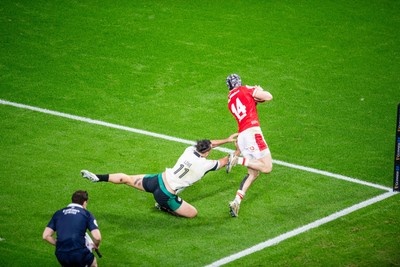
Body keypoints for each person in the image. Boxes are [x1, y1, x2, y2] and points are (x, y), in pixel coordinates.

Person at [80, 133, 238, 218]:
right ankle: (165, 207)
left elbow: (208, 143)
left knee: (126, 178)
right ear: (207, 152)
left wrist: (225, 140)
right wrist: (237, 149)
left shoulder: (189, 150)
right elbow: (225, 160)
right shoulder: (205, 165)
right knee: (192, 213)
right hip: (165, 195)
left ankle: (97, 177)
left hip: (157, 180)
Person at [225, 73, 273, 217]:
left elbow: (251, 104)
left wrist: (257, 98)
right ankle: (236, 159)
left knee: (253, 173)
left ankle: (236, 202)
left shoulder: (229, 101)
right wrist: (259, 89)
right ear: (239, 82)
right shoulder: (246, 89)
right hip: (253, 133)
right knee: (267, 167)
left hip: (242, 136)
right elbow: (269, 96)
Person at [42, 190, 102, 267]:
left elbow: (45, 236)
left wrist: (60, 244)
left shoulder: (58, 213)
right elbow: (97, 237)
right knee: (93, 264)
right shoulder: (86, 214)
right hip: (79, 253)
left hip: (61, 254)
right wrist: (96, 245)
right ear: (84, 202)